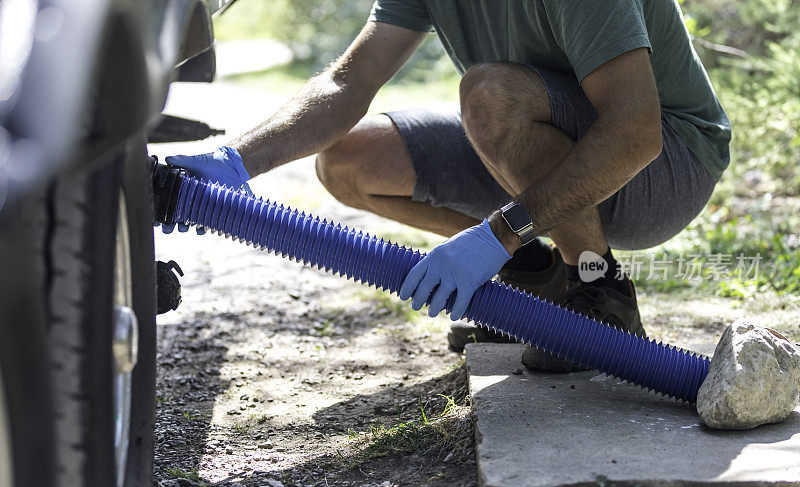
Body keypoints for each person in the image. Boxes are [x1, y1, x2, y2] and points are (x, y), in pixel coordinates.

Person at [164, 0, 730, 371]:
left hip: (666, 169)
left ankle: (597, 287)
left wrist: (497, 233)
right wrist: (234, 159)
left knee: (490, 94)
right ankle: (539, 276)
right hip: (538, 141)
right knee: (349, 159)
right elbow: (348, 80)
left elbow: (635, 135)